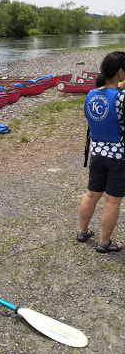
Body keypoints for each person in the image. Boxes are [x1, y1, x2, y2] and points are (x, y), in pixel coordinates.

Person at [77, 51, 125, 253]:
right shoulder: (122, 98)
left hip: (96, 153)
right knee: (112, 200)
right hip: (118, 156)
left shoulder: (91, 94)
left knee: (91, 194)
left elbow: (109, 92)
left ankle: (82, 231)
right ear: (121, 72)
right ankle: (104, 243)